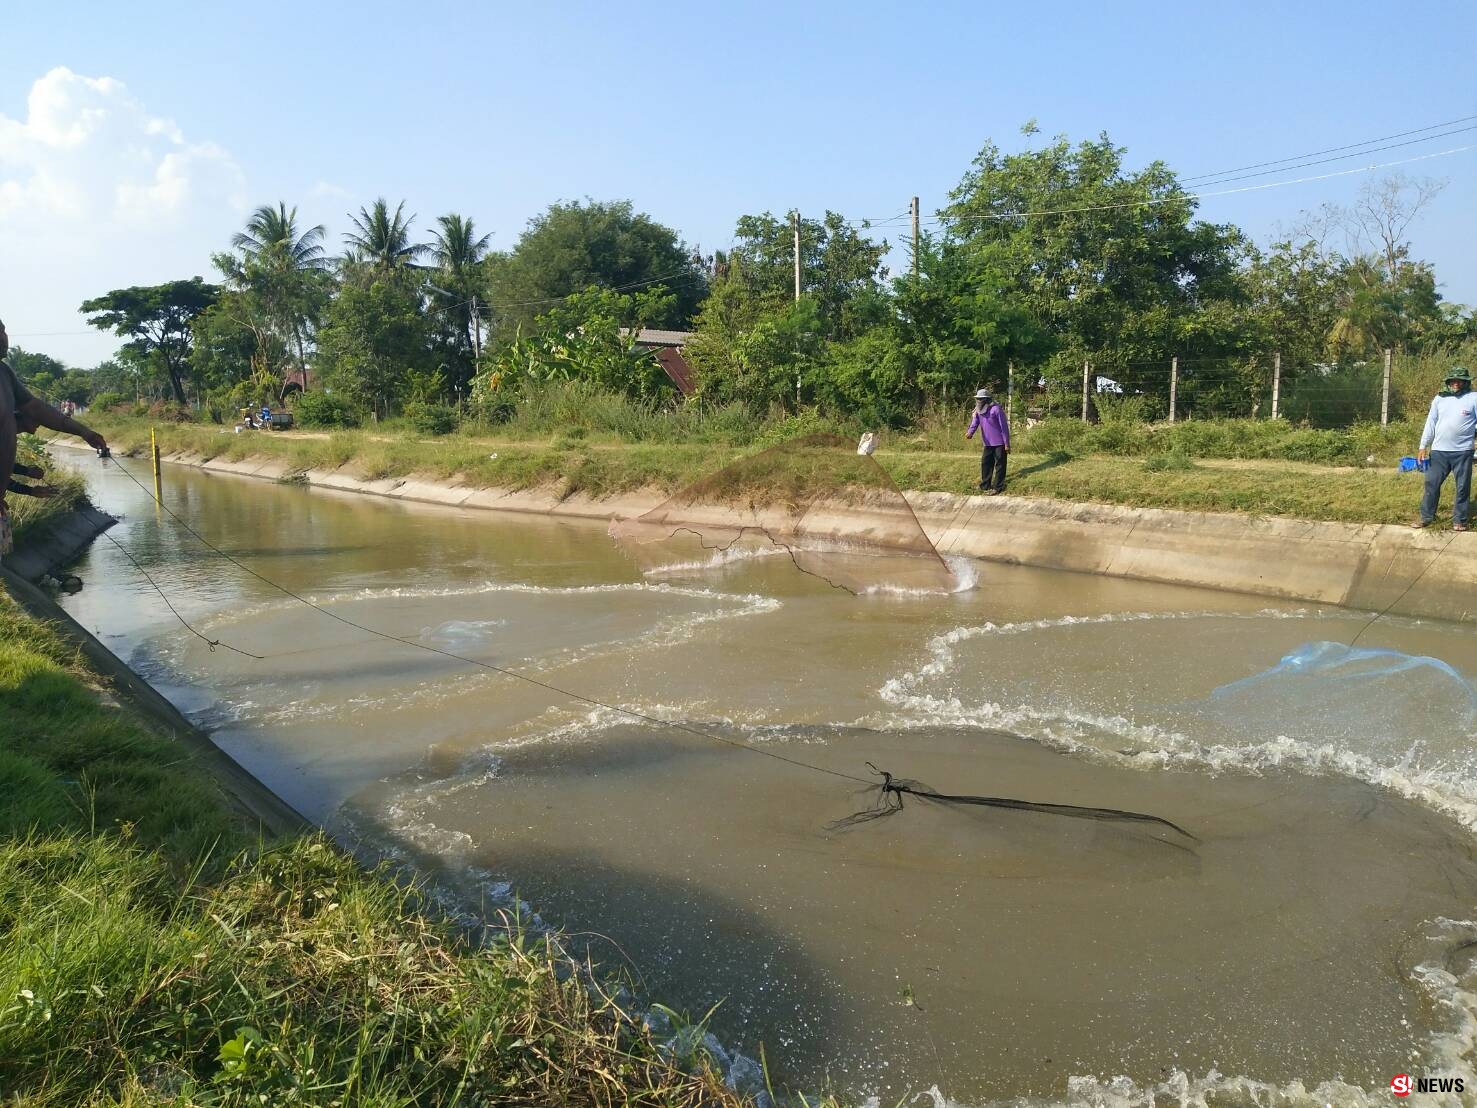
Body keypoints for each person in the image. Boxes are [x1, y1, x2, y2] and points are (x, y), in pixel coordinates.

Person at [0, 316, 108, 549]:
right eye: (0, 331)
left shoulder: (4, 374)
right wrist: (28, 487)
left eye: (4, 330)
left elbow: (37, 408)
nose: (4, 337)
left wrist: (83, 431)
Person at [1414, 366, 1477, 531]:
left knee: (1462, 486)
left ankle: (1460, 520)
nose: (1456, 384)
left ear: (1466, 382)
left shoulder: (1473, 398)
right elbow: (1430, 423)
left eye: (1460, 381)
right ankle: (1427, 517)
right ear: (1448, 382)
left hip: (1463, 451)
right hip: (1439, 451)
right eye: (1453, 381)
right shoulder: (1439, 399)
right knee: (1431, 483)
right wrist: (1423, 446)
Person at [965, 386, 1010, 494]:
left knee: (1000, 464)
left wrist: (1007, 444)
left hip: (999, 442)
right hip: (987, 443)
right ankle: (985, 485)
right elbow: (975, 422)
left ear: (987, 399)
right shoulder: (978, 411)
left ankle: (998, 487)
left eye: (981, 399)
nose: (979, 401)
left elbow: (1004, 427)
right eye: (978, 399)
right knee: (986, 463)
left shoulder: (996, 409)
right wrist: (970, 432)